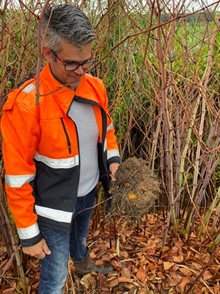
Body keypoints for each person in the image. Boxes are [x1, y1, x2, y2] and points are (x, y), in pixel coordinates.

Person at [1, 4, 120, 293]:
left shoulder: (95, 87)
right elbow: (17, 178)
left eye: (87, 62)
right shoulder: (26, 105)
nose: (80, 72)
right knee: (54, 279)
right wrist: (29, 236)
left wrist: (113, 161)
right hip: (54, 211)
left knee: (80, 239)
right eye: (71, 64)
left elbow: (106, 129)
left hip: (88, 193)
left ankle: (82, 263)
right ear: (47, 53)